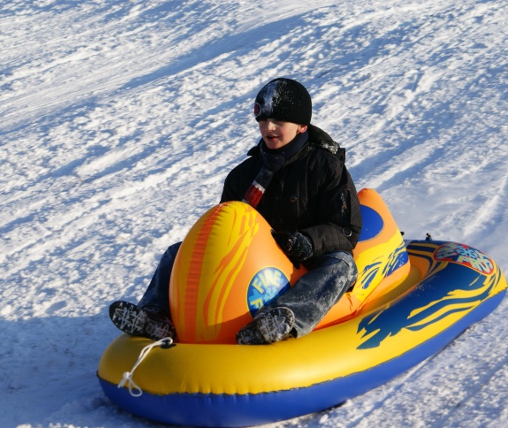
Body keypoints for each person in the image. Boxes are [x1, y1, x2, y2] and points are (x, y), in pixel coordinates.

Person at [109, 78, 362, 345]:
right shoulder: (244, 175)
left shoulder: (326, 168)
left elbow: (346, 229)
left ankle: (282, 319)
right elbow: (226, 222)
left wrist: (309, 241)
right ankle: (156, 316)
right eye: (263, 121)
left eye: (279, 122)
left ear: (301, 126)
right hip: (256, 259)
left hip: (308, 259)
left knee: (342, 264)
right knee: (176, 252)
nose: (269, 128)